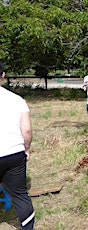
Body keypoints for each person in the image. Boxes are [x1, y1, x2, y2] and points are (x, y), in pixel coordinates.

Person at [0, 61, 35, 229]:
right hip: (14, 152)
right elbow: (27, 130)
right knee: (20, 195)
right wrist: (26, 149)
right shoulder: (17, 100)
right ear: (3, 75)